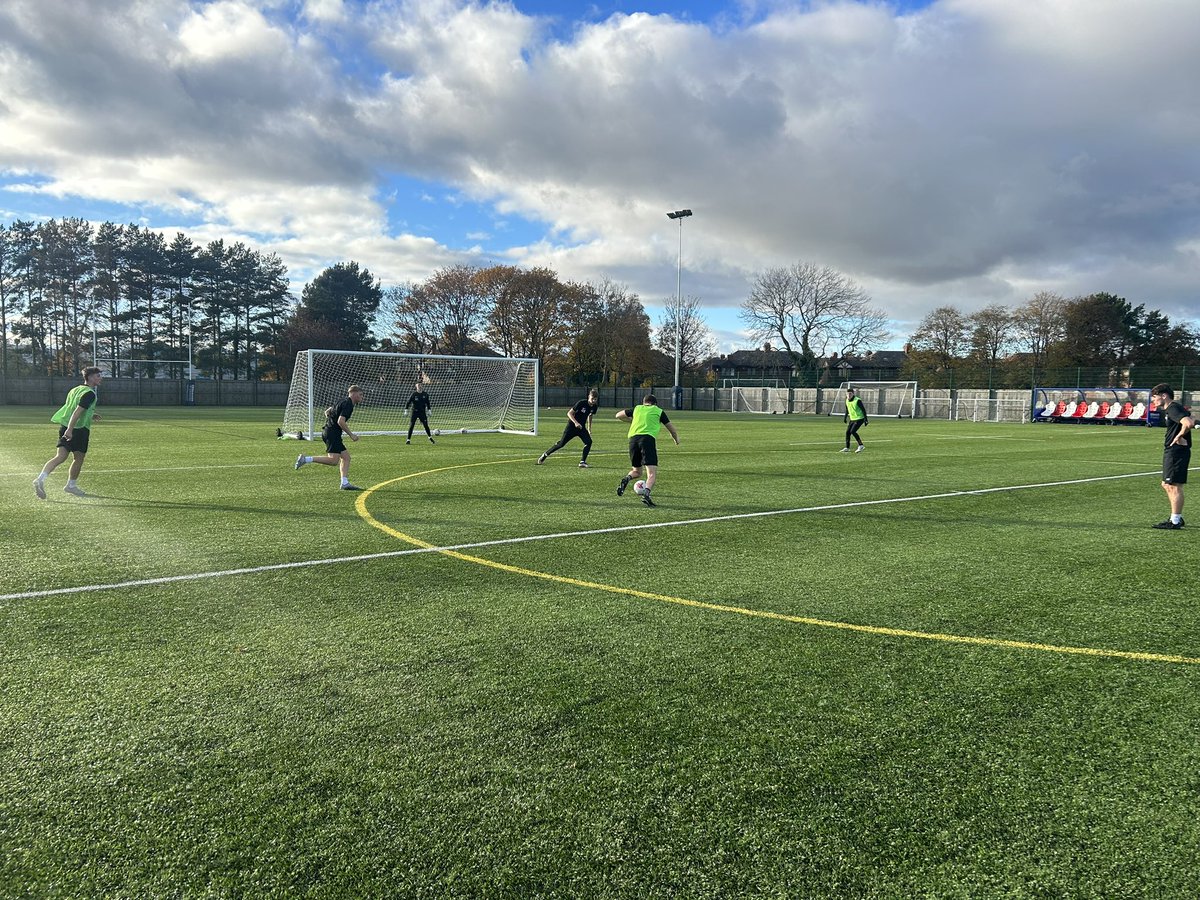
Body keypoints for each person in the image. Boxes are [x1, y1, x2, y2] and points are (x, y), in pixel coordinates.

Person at [34, 366, 103, 499]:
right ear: (89, 377)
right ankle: (71, 486)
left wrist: (91, 414)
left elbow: (74, 408)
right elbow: (77, 411)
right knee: (78, 458)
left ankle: (40, 479)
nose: (100, 378)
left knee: (60, 457)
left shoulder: (75, 390)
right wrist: (70, 430)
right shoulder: (89, 393)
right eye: (98, 376)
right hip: (78, 430)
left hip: (64, 426)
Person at [615, 393, 680, 507]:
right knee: (651, 474)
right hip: (647, 440)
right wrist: (676, 440)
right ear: (654, 404)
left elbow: (618, 415)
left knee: (637, 471)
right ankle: (646, 495)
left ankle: (626, 479)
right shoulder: (658, 411)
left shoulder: (637, 408)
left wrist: (633, 421)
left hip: (633, 440)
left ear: (644, 402)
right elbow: (671, 429)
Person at [295, 385, 364, 490]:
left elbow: (327, 412)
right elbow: (340, 421)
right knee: (333, 461)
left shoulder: (342, 401)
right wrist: (351, 435)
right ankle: (306, 459)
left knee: (346, 458)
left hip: (330, 432)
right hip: (332, 434)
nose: (362, 397)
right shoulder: (348, 404)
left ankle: (344, 483)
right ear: (354, 393)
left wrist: (331, 422)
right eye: (360, 394)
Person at [1149, 383, 1193, 529]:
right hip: (1174, 451)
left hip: (1176, 451)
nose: (1153, 401)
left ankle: (1175, 521)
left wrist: (1179, 436)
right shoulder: (1174, 408)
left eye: (1154, 397)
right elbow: (1191, 419)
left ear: (1164, 395)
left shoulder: (1173, 408)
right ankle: (1176, 518)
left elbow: (1187, 423)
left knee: (1172, 485)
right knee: (1168, 484)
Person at [538, 388, 599, 467]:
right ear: (588, 397)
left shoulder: (594, 407)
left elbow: (590, 416)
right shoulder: (581, 403)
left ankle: (582, 462)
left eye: (595, 399)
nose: (593, 401)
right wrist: (576, 423)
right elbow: (569, 413)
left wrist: (589, 429)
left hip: (581, 428)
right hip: (572, 426)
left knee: (588, 442)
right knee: (561, 444)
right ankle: (545, 455)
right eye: (592, 399)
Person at [842, 386, 868, 453]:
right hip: (852, 419)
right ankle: (847, 447)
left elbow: (863, 410)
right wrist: (845, 417)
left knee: (853, 431)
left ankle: (861, 445)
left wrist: (866, 419)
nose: (849, 395)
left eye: (850, 394)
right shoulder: (847, 400)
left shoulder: (857, 400)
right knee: (848, 432)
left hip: (859, 418)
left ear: (853, 394)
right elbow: (847, 409)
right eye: (847, 394)